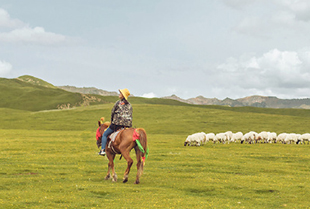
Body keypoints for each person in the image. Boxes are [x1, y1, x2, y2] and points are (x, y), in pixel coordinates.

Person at [99, 88, 133, 156]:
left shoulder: (118, 102)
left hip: (116, 124)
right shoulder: (129, 105)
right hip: (126, 125)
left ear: (123, 95)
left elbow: (113, 112)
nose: (119, 94)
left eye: (120, 93)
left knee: (105, 134)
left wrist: (112, 122)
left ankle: (102, 150)